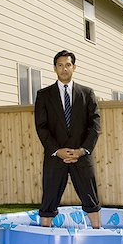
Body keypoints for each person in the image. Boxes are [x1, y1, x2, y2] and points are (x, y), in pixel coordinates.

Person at [34, 50, 101, 228]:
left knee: (91, 198)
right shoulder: (44, 95)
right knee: (49, 199)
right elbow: (41, 127)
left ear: (74, 67)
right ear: (55, 68)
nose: (64, 69)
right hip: (55, 157)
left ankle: (98, 232)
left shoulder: (87, 93)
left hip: (82, 156)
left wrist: (81, 151)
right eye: (60, 65)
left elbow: (95, 125)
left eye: (68, 65)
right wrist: (57, 151)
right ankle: (43, 236)